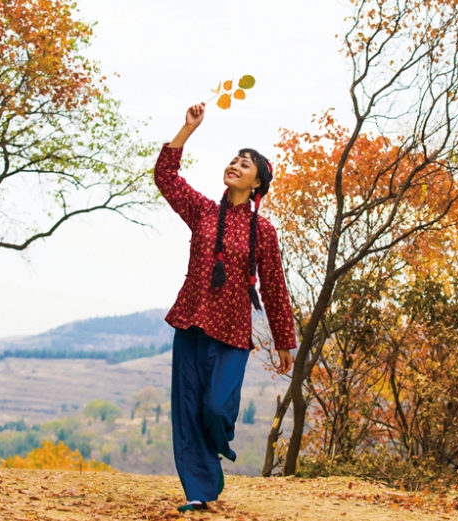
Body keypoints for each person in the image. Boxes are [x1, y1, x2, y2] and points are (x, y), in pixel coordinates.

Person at [155, 102, 297, 512]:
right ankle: (199, 492)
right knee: (186, 410)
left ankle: (216, 448)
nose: (236, 164)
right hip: (191, 321)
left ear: (257, 184)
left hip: (233, 332)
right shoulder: (202, 211)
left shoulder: (263, 232)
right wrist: (187, 130)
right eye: (235, 159)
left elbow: (274, 287)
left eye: (246, 164)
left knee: (216, 408)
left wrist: (284, 341)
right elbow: (165, 176)